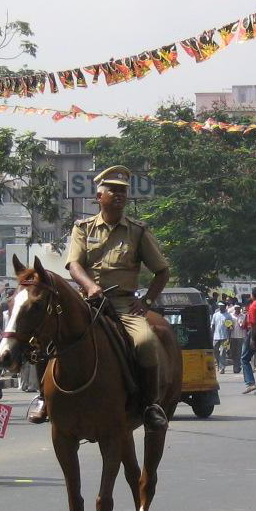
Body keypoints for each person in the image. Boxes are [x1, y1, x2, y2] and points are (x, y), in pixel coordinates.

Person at [55, 164, 169, 431]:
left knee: (147, 341)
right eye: (113, 191)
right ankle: (43, 397)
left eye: (123, 192)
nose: (119, 195)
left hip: (123, 305)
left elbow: (162, 271)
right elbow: (74, 265)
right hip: (87, 302)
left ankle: (151, 404)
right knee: (49, 335)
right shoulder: (83, 228)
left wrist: (147, 302)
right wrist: (89, 287)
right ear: (99, 197)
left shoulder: (138, 231)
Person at [211, 302, 231, 374]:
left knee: (222, 352)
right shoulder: (215, 315)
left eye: (222, 306)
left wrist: (229, 338)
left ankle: (222, 368)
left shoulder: (228, 316)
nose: (220, 307)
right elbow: (213, 326)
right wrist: (211, 335)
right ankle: (219, 365)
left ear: (225, 307)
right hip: (216, 337)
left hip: (224, 337)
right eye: (219, 306)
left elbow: (229, 327)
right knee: (215, 351)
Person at [229, 304, 246, 374]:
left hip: (241, 336)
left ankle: (237, 367)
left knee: (239, 353)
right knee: (233, 353)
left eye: (238, 308)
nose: (237, 309)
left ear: (240, 308)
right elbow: (228, 325)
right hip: (232, 336)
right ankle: (236, 366)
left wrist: (243, 324)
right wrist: (229, 327)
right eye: (236, 308)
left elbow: (244, 325)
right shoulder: (231, 316)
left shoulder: (243, 316)